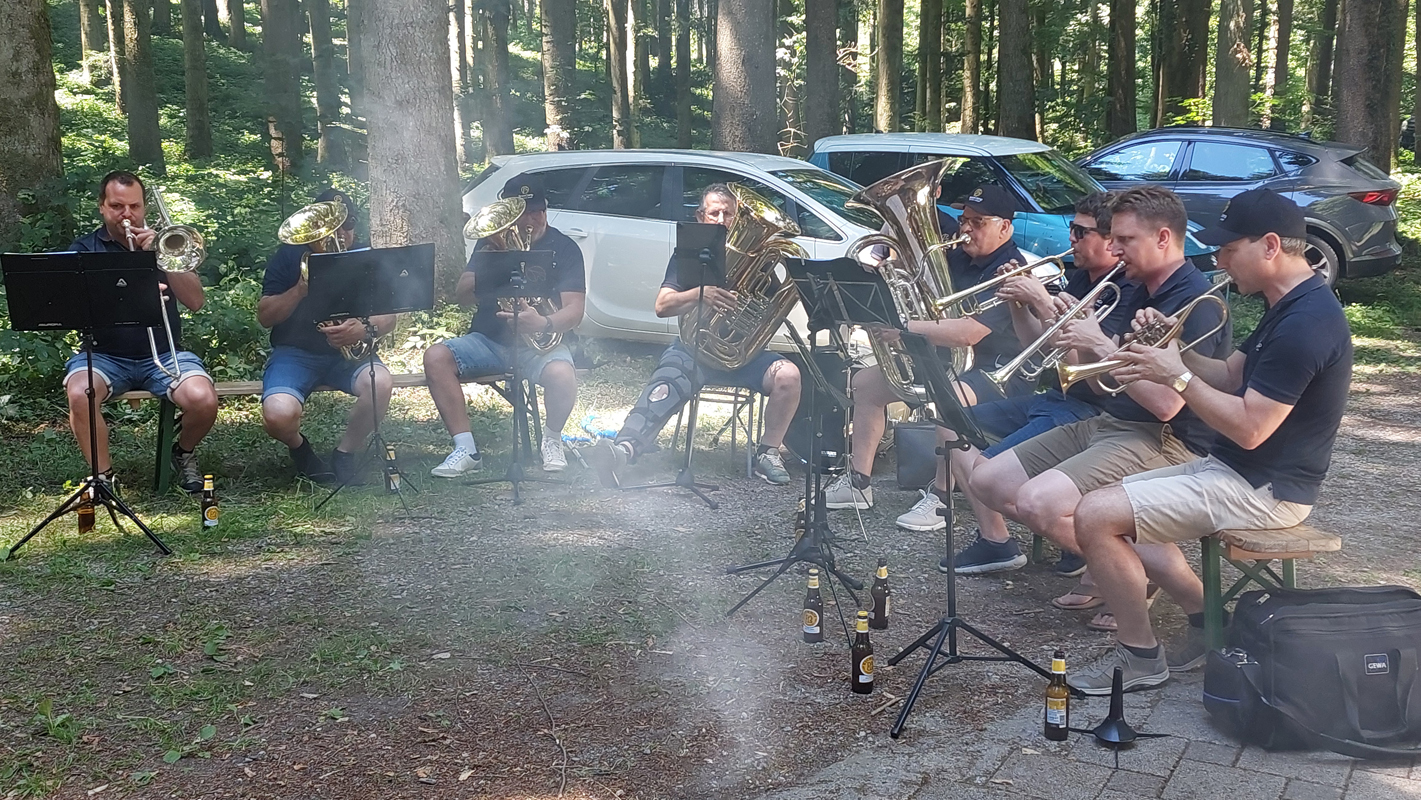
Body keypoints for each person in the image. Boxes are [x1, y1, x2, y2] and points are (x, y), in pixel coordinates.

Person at [1066, 189, 1352, 694]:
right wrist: (1174, 347)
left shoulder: (1306, 324)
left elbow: (1250, 428)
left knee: (1094, 514)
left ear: (1269, 246)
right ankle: (1205, 621)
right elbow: (1229, 376)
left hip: (1268, 491)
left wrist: (1175, 377)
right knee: (1104, 502)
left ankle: (1139, 657)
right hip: (1239, 472)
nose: (1218, 261)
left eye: (1228, 249)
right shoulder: (1289, 304)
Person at [969, 184, 1232, 620]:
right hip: (1112, 421)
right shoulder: (1139, 287)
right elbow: (1092, 382)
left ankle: (1177, 596)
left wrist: (1099, 344)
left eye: (1125, 239)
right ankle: (1125, 570)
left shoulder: (1194, 301)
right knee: (989, 480)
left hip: (1165, 437)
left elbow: (1166, 405)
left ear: (1163, 238)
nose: (1115, 249)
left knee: (1040, 502)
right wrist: (1072, 329)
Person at [935, 192, 1149, 574]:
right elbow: (1034, 344)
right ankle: (995, 541)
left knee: (989, 469)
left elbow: (1081, 359)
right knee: (952, 422)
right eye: (1072, 229)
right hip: (1057, 397)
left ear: (1109, 240)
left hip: (1090, 408)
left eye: (1081, 232)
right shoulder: (1081, 277)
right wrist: (1019, 304)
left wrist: (1041, 300)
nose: (1071, 239)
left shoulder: (1127, 290)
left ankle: (1092, 548)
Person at [822, 184, 1032, 518]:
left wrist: (906, 328)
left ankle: (941, 498)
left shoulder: (1011, 269)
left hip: (995, 371)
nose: (966, 229)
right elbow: (914, 280)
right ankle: (858, 484)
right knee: (866, 384)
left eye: (978, 223)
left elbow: (970, 333)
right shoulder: (958, 255)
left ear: (1004, 227)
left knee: (950, 401)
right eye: (964, 220)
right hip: (946, 361)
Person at [588, 183, 802, 486]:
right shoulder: (690, 255)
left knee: (789, 376)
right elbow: (662, 306)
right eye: (714, 213)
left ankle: (769, 452)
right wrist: (701, 294)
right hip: (695, 349)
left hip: (744, 355)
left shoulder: (762, 261)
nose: (721, 220)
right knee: (664, 388)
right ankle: (624, 450)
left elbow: (770, 310)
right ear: (701, 217)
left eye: (728, 213)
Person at [64, 170, 218, 493]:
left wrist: (163, 259)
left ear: (144, 207)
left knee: (203, 399)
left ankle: (183, 452)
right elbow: (69, 308)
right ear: (102, 207)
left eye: (134, 206)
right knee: (80, 392)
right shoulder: (85, 249)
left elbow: (195, 302)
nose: (127, 215)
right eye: (117, 206)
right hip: (105, 354)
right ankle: (102, 478)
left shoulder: (165, 247)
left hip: (163, 353)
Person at [424, 175, 586, 477]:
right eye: (523, 213)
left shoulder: (564, 248)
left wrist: (542, 322)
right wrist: (493, 260)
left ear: (545, 209)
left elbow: (575, 310)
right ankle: (466, 449)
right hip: (489, 340)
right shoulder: (488, 245)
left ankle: (552, 440)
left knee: (563, 374)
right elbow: (462, 296)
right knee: (436, 357)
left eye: (537, 211)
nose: (531, 219)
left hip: (541, 343)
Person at [258, 188, 396, 485]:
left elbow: (389, 318)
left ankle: (345, 453)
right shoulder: (288, 256)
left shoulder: (366, 257)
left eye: (349, 224)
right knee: (278, 415)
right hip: (295, 353)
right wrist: (299, 290)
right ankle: (301, 450)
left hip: (349, 355)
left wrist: (362, 328)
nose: (341, 234)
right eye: (333, 227)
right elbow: (265, 316)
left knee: (381, 384)